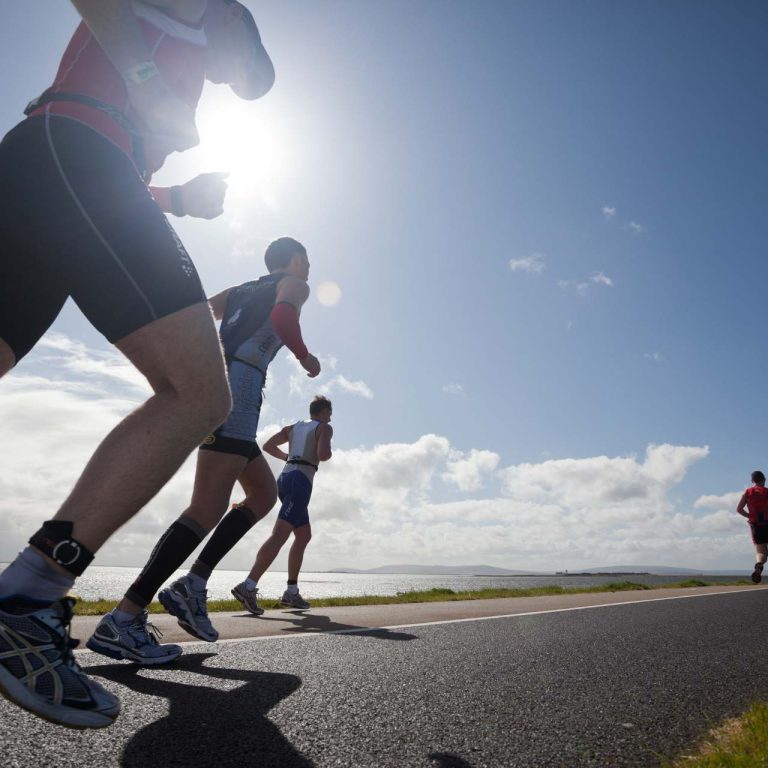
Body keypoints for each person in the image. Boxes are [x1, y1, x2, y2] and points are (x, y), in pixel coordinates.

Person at [0, 0, 275, 728]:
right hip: (78, 160)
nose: (228, 79)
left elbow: (98, 124)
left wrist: (173, 197)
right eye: (236, 57)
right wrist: (151, 75)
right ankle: (27, 598)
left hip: (49, 162)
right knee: (197, 393)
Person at [87, 236, 321, 660]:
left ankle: (192, 584)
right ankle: (124, 618)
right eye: (307, 260)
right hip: (240, 388)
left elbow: (193, 315)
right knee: (205, 508)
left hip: (222, 384)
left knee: (263, 495)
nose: (309, 268)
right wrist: (305, 358)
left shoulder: (240, 290)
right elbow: (285, 317)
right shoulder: (295, 284)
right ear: (295, 260)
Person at [231, 395, 333, 615]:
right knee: (280, 535)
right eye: (329, 413)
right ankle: (247, 586)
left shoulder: (292, 427)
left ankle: (291, 591)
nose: (330, 417)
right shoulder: (324, 428)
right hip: (301, 482)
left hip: (285, 479)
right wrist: (327, 451)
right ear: (324, 412)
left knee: (303, 535)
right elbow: (323, 455)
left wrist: (288, 456)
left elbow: (268, 445)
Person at [736, 470, 768, 584]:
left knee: (761, 552)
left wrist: (750, 516)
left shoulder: (748, 492)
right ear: (764, 479)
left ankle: (759, 564)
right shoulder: (767, 491)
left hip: (756, 525)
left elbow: (739, 509)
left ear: (752, 481)